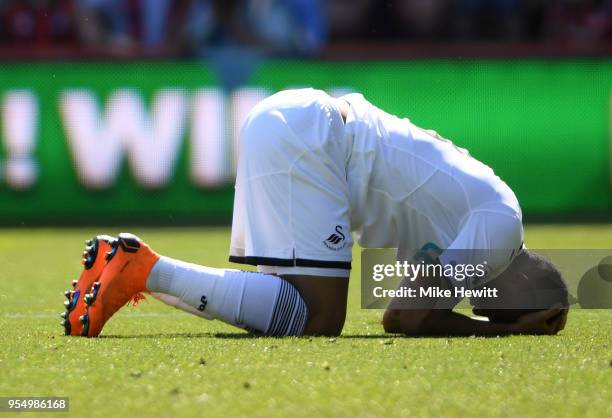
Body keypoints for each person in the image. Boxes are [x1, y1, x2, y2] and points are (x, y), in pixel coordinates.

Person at [60, 88, 568, 338]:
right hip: (316, 140)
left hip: (295, 124)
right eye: (488, 306)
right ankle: (142, 269)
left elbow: (404, 313)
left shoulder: (471, 230)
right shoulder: (502, 228)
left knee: (290, 308)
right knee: (320, 320)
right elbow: (409, 319)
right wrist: (511, 332)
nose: (475, 305)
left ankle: (129, 267)